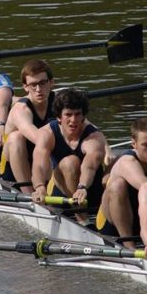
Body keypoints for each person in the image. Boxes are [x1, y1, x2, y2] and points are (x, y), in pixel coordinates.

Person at [30, 88, 110, 223]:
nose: (73, 120)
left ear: (83, 115)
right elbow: (38, 164)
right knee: (69, 162)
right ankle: (83, 220)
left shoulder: (94, 137)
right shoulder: (47, 133)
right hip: (59, 193)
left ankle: (85, 218)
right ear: (58, 117)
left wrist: (82, 187)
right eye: (68, 114)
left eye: (78, 114)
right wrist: (39, 186)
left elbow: (89, 166)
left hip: (88, 190)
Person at [97, 117, 147, 245]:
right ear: (134, 144)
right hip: (112, 226)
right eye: (146, 145)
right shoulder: (128, 162)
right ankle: (129, 246)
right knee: (118, 186)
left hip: (142, 219)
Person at [0, 59, 55, 193]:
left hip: (42, 162)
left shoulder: (59, 102)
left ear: (52, 82)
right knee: (16, 137)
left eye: (43, 83)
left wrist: (103, 147)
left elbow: (85, 126)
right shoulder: (21, 110)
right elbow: (39, 139)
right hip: (12, 169)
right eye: (33, 85)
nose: (38, 89)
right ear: (25, 87)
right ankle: (28, 193)